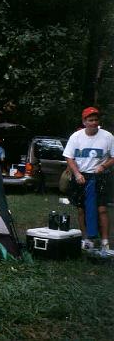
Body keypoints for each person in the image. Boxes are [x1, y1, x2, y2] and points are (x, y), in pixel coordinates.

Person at [63, 107, 114, 251]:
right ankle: (86, 239)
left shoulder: (108, 136)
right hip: (81, 176)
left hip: (100, 176)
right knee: (81, 210)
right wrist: (77, 173)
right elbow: (69, 157)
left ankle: (105, 241)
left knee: (102, 210)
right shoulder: (76, 136)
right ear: (84, 121)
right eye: (90, 120)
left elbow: (113, 157)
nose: (93, 123)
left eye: (96, 120)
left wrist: (103, 167)